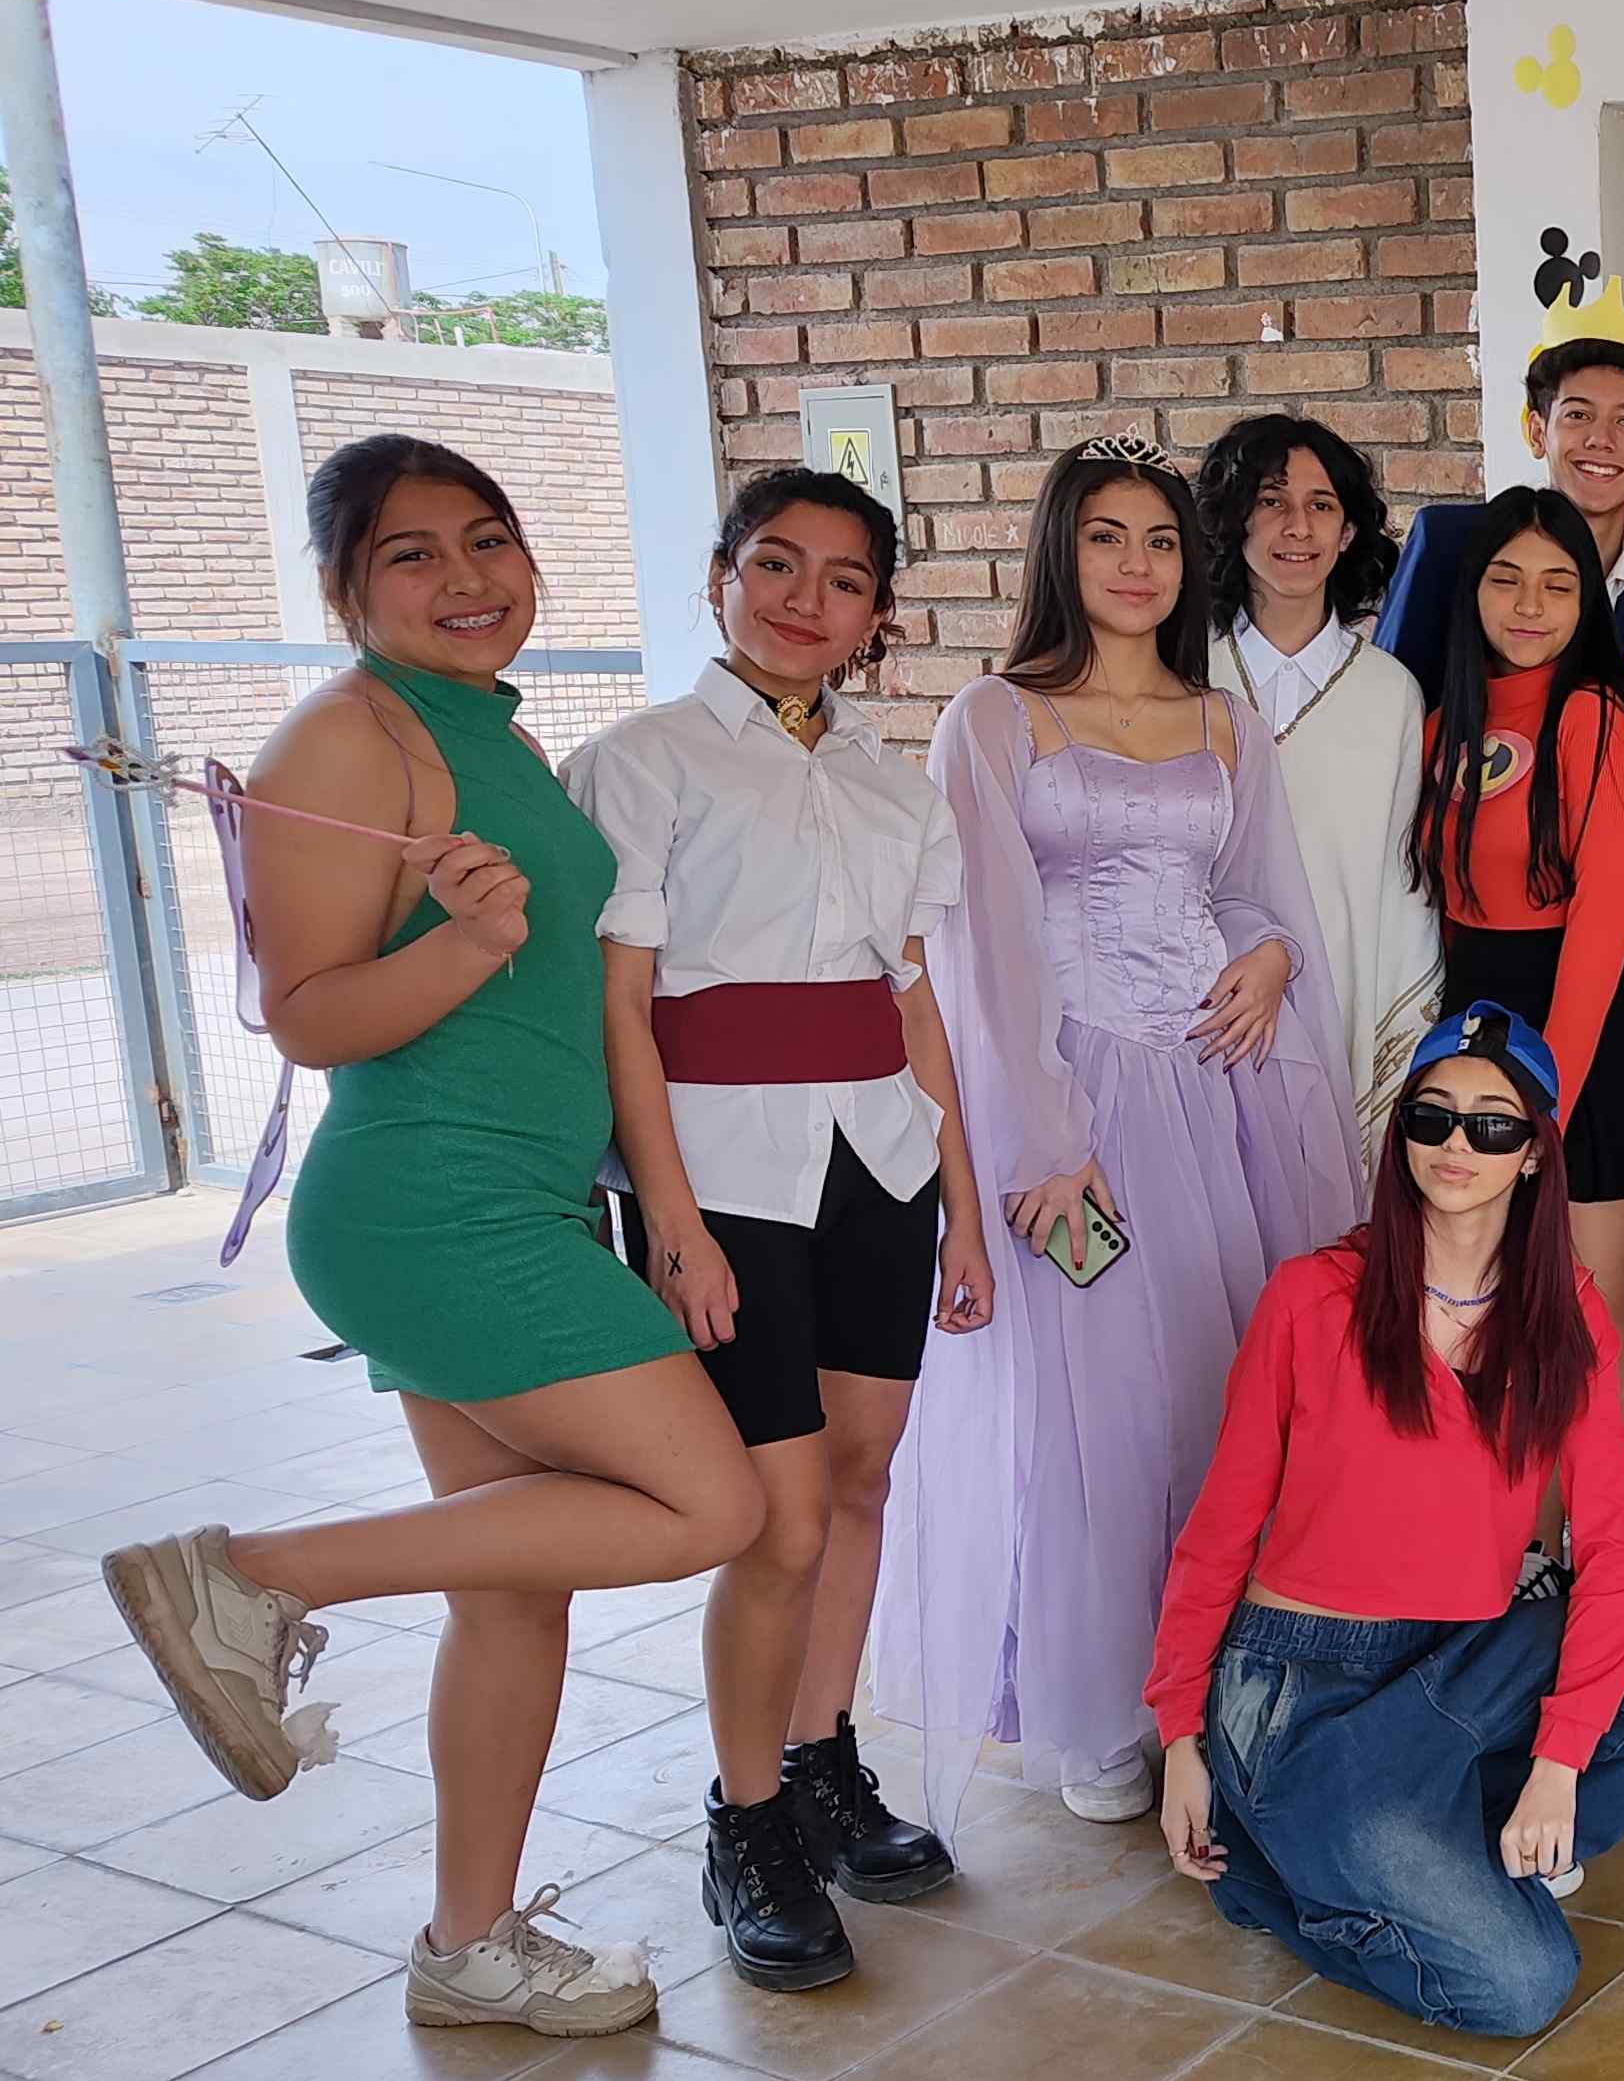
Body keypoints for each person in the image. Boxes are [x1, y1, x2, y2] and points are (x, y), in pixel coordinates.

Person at [100, 435, 756, 2039]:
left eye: (489, 539)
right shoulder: (349, 736)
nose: (467, 579)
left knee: (512, 1591)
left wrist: (657, 1206)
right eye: (413, 555)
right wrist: (467, 943)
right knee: (710, 1501)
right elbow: (306, 1016)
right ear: (346, 589)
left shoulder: (480, 728)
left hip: (506, 1203)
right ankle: (245, 1578)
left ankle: (469, 1946)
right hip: (434, 1210)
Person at [878, 435, 1363, 1836]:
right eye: (1106, 537)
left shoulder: (1224, 721)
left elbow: (1254, 888)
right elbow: (983, 951)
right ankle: (1102, 1705)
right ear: (1061, 553)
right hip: (1076, 1100)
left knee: (1225, 1392)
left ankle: (1218, 1684)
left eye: (1159, 540)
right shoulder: (995, 718)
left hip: (1226, 1089)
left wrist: (1268, 955)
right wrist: (1041, 1139)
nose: (1137, 565)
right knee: (1096, 1412)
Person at [1148, 1005, 1624, 2038]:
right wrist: (1179, 1731)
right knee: (1521, 1986)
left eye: (1492, 1125)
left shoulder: (1561, 1312)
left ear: (1533, 1154)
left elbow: (1613, 1550)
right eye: (1432, 1117)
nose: (1456, 1144)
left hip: (1459, 1664)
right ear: (1402, 1135)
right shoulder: (1310, 1299)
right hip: (1306, 1693)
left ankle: (1461, 1840)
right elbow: (1218, 1527)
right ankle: (1285, 1871)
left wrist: (1560, 1764)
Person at [563, 469, 985, 1992]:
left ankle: (821, 1763)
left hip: (880, 1160)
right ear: (720, 577)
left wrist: (965, 1206)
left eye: (846, 579)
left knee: (862, 1481)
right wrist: (667, 1216)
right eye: (777, 565)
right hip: (723, 1176)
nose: (808, 601)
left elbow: (911, 1003)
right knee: (777, 1516)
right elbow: (622, 1006)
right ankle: (744, 1820)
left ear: (879, 614)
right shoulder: (639, 762)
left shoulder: (894, 784)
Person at [1413, 486, 1624, 1580]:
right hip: (1475, 1047)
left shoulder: (1595, 715)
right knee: (1504, 1331)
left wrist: (1544, 1107)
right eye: (1506, 580)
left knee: (1586, 1334)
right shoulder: (1444, 720)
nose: (1530, 606)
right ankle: (1523, 1573)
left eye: (1558, 584)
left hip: (1583, 1053)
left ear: (1590, 602)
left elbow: (1600, 926)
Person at [1196, 413, 1442, 1128]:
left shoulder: (1390, 693)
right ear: (1234, 521)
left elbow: (1400, 883)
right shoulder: (1182, 676)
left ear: (1349, 531)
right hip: (1195, 1005)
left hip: (1340, 1003)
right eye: (1271, 500)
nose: (1298, 527)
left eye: (1322, 505)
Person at [1379, 330, 1624, 699]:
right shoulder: (1448, 544)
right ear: (1538, 432)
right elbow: (1389, 699)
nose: (1601, 439)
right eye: (1578, 415)